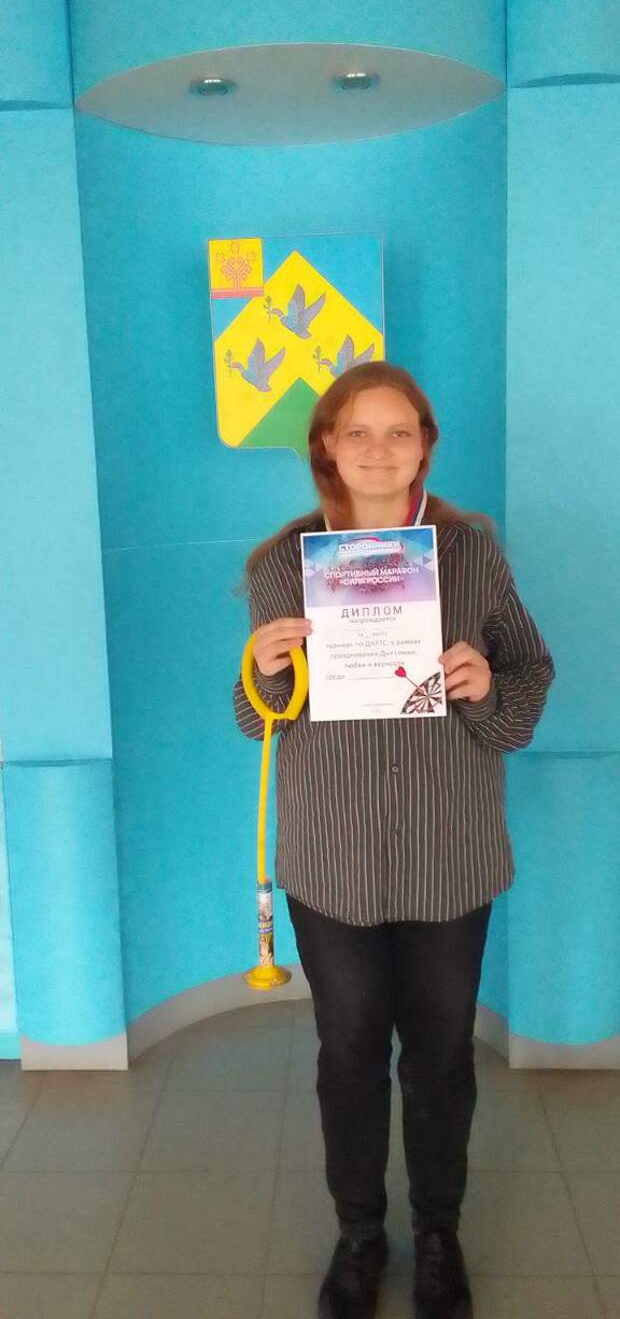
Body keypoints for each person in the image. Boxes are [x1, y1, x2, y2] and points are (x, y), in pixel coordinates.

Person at [233, 361, 554, 1319]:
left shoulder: (471, 555)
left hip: (451, 854)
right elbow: (258, 719)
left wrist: (485, 686)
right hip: (332, 861)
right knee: (348, 1053)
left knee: (443, 1056)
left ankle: (440, 1232)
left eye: (399, 431)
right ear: (327, 447)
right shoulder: (281, 566)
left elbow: (529, 675)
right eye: (357, 432)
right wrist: (266, 669)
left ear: (425, 447)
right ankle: (361, 1235)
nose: (379, 449)